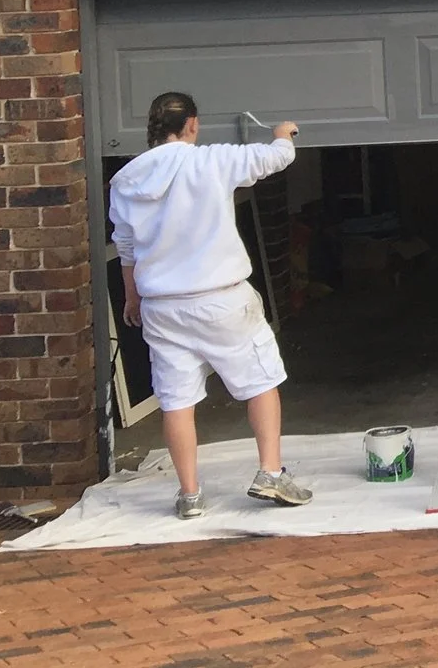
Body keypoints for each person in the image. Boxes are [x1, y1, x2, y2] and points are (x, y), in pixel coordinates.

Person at [110, 91, 312, 519]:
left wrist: (132, 297)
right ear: (193, 125)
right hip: (222, 300)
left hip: (162, 307)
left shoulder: (127, 180)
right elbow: (274, 159)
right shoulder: (211, 161)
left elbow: (126, 247)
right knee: (259, 381)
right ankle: (271, 474)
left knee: (176, 400)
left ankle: (190, 496)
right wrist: (283, 135)